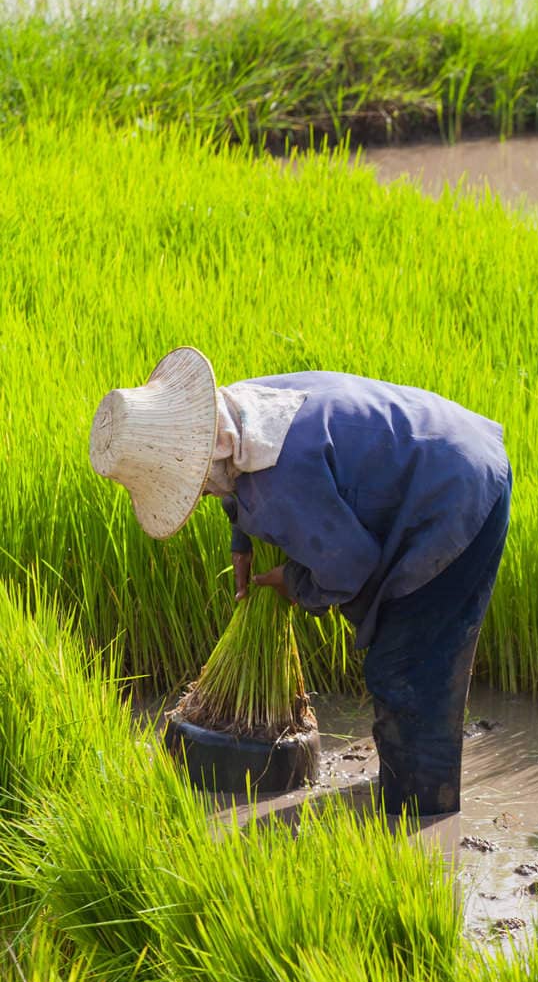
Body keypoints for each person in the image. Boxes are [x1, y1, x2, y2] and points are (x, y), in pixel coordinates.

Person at [89, 347, 511, 817]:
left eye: (197, 484)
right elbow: (247, 475)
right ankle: (406, 785)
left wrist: (294, 582)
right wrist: (243, 536)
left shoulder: (277, 486)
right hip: (445, 441)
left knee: (408, 672)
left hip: (456, 495)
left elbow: (349, 567)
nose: (203, 491)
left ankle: (423, 812)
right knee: (408, 664)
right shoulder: (247, 408)